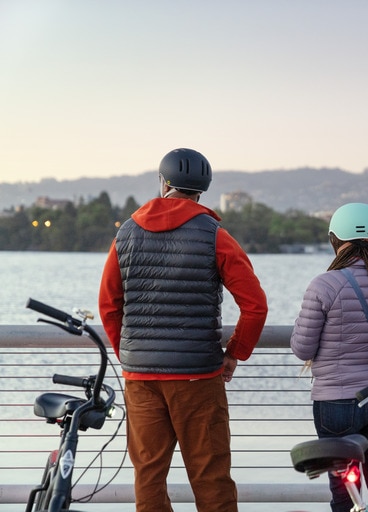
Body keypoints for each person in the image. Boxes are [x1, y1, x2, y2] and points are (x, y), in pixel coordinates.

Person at [98, 148, 269, 512]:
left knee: (148, 476)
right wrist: (234, 354)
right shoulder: (215, 236)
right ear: (202, 189)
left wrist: (130, 354)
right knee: (210, 477)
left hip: (140, 378)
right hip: (197, 377)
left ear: (163, 182)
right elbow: (255, 306)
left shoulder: (126, 233)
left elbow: (109, 306)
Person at [290, 202, 368, 512]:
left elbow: (303, 349)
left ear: (335, 239)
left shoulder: (324, 285)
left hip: (335, 404)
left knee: (344, 491)